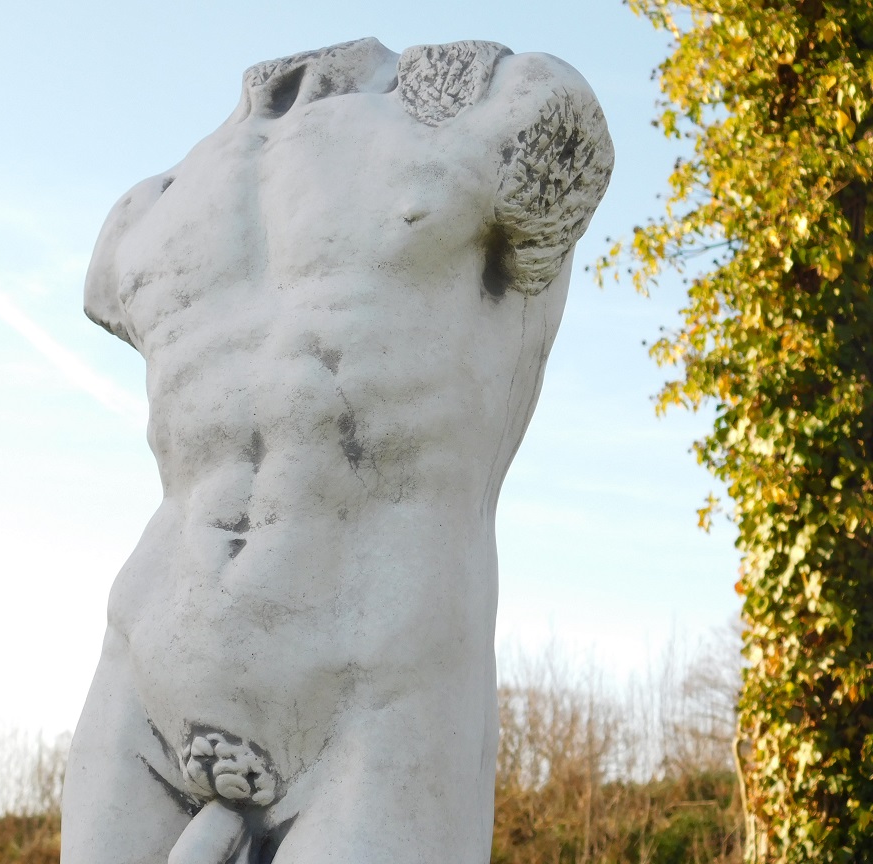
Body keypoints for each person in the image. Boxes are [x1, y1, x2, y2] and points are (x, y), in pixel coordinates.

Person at [64, 37, 613, 864]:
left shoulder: (505, 101)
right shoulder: (146, 210)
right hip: (145, 670)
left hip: (374, 680)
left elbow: (559, 160)